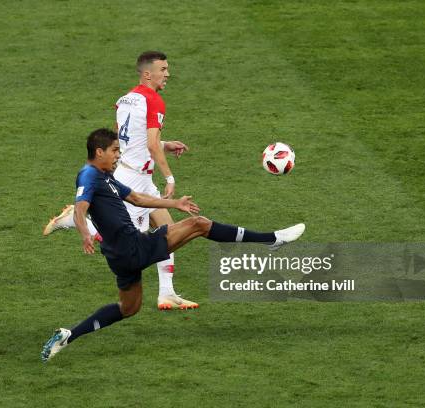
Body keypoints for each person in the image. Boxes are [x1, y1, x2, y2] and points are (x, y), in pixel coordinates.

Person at [41, 128, 305, 361]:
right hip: (133, 247)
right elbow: (81, 206)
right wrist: (84, 233)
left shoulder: (105, 176)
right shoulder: (89, 175)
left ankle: (68, 335)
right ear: (99, 152)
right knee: (199, 224)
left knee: (128, 308)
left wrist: (175, 204)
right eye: (114, 151)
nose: (118, 156)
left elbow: (137, 198)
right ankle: (271, 240)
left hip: (120, 255)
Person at [44, 51, 197, 310]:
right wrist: (169, 176)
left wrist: (166, 144)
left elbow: (128, 139)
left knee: (167, 230)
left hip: (133, 172)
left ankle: (167, 293)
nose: (167, 73)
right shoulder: (155, 101)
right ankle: (77, 221)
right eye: (163, 69)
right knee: (133, 244)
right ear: (148, 74)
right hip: (134, 180)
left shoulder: (126, 99)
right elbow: (149, 145)